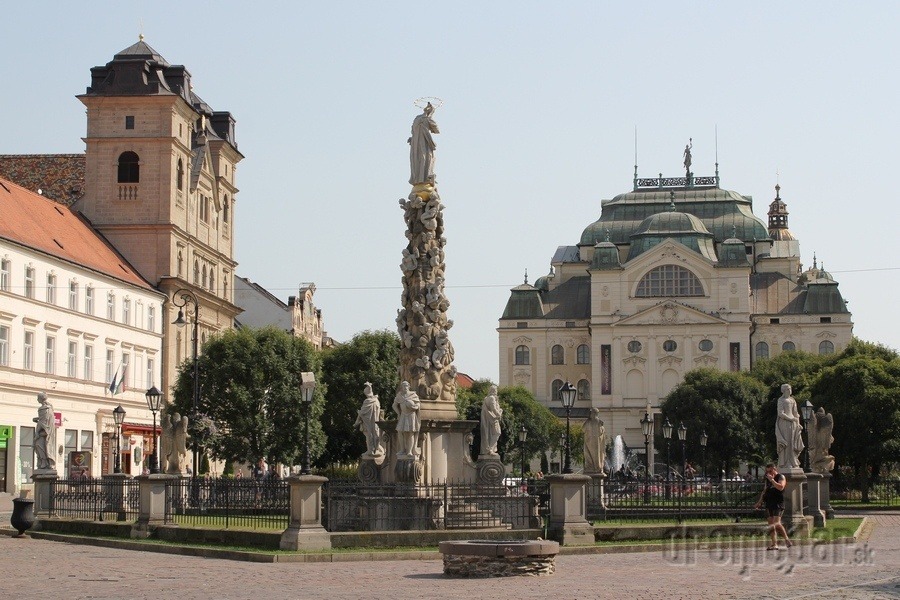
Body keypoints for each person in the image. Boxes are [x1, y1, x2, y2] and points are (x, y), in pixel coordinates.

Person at [754, 463, 792, 550]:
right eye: (767, 472)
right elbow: (764, 491)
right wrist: (759, 502)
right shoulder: (767, 479)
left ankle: (786, 539)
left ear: (775, 469)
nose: (769, 473)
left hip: (778, 503)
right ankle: (774, 544)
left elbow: (781, 487)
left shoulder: (780, 477)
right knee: (771, 525)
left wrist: (772, 480)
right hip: (769, 503)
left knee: (776, 523)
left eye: (770, 471)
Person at [408, 102, 440, 185]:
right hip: (424, 145)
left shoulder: (416, 119)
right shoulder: (426, 119)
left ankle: (418, 179)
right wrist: (430, 115)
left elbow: (413, 131)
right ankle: (425, 178)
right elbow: (436, 130)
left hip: (415, 146)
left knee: (417, 162)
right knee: (426, 159)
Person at [775, 383, 804, 469]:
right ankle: (786, 462)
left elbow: (796, 413)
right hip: (784, 423)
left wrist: (798, 424)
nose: (790, 390)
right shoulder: (781, 400)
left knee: (793, 442)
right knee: (787, 442)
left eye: (790, 388)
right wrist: (790, 419)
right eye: (788, 389)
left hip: (793, 423)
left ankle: (793, 461)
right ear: (783, 390)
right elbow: (780, 413)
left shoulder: (792, 400)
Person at [354, 382, 384, 457]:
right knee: (375, 435)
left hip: (368, 423)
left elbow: (362, 413)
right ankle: (376, 449)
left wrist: (357, 421)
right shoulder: (376, 401)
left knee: (369, 436)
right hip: (375, 422)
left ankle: (371, 450)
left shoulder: (367, 401)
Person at [392, 381, 421, 457]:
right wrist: (398, 413)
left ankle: (409, 451)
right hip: (403, 415)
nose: (405, 387)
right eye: (403, 386)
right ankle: (402, 449)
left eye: (406, 386)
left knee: (410, 433)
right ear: (401, 387)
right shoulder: (399, 395)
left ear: (409, 386)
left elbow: (418, 404)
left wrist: (415, 407)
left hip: (411, 415)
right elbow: (394, 405)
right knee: (400, 431)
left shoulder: (413, 394)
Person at [33, 392, 57, 470]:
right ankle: (43, 462)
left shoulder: (44, 409)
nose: (37, 399)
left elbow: (43, 422)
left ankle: (44, 462)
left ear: (41, 399)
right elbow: (44, 419)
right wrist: (37, 419)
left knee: (39, 445)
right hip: (45, 432)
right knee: (40, 446)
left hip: (44, 433)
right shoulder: (49, 408)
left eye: (38, 398)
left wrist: (37, 433)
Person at [479, 385, 503, 456]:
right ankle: (490, 449)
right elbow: (493, 409)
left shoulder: (486, 398)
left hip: (489, 419)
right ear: (494, 390)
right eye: (496, 390)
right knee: (497, 433)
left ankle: (489, 449)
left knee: (491, 434)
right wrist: (499, 414)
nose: (497, 391)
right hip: (493, 419)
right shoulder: (492, 398)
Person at [583, 408, 607, 475]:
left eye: (591, 413)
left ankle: (592, 467)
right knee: (596, 456)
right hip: (595, 443)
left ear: (594, 413)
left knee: (591, 455)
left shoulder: (589, 422)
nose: (590, 414)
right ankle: (597, 468)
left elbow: (583, 429)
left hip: (591, 442)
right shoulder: (599, 423)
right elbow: (602, 433)